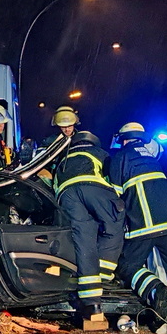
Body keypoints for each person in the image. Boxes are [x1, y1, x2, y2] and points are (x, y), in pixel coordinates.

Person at [108, 121, 167, 320]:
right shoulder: (153, 158)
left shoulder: (120, 158)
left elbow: (115, 198)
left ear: (122, 140)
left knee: (127, 265)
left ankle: (155, 289)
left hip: (144, 227)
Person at [53, 117, 124, 321]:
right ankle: (104, 274)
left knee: (84, 241)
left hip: (66, 196)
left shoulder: (63, 158)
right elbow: (115, 177)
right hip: (94, 189)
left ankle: (91, 302)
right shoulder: (99, 153)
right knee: (114, 224)